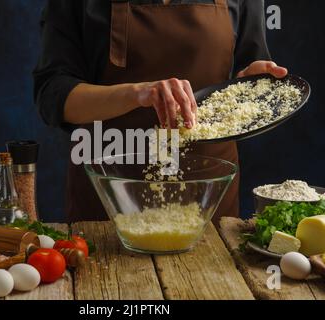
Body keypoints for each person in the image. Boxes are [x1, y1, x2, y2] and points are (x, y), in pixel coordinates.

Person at [33, 0, 288, 226]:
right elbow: (52, 95)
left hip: (207, 198)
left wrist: (251, 85)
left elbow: (247, 75)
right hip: (111, 198)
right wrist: (137, 93)